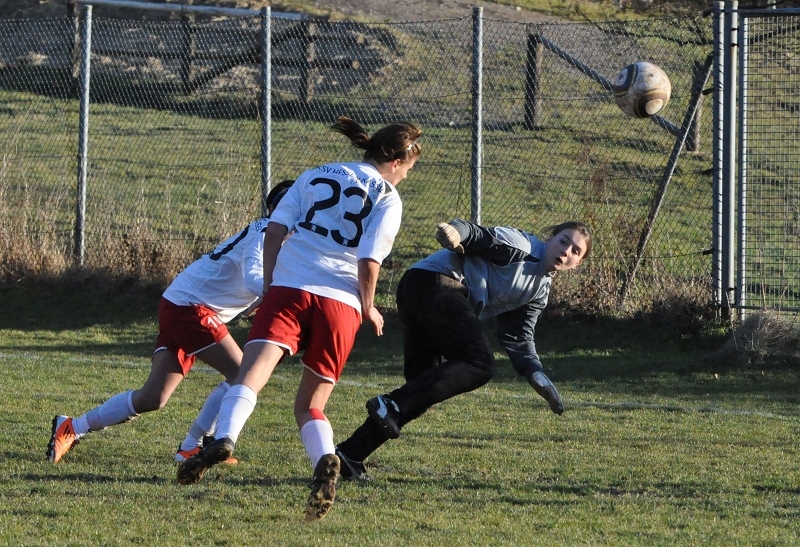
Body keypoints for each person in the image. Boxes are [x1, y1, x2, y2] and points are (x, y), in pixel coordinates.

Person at [175, 116, 422, 522]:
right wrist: (368, 304)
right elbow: (369, 260)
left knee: (251, 377)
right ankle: (325, 461)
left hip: (291, 289)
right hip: (340, 303)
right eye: (409, 169)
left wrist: (273, 284)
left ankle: (223, 439)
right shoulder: (388, 197)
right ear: (395, 160)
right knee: (310, 405)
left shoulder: (314, 174)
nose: (406, 177)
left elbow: (274, 231)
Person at [46, 180, 296, 464]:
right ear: (282, 209)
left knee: (153, 397)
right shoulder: (266, 232)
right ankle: (193, 445)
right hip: (190, 307)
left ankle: (72, 427)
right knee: (243, 375)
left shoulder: (281, 238)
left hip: (182, 303)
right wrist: (271, 294)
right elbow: (254, 275)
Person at [333, 218, 592, 481]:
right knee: (479, 364)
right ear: (551, 238)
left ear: (577, 263)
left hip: (422, 289)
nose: (566, 251)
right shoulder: (522, 246)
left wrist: (535, 373)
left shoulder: (540, 290)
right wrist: (456, 232)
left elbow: (518, 335)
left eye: (575, 251)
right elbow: (480, 235)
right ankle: (388, 405)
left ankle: (350, 454)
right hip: (434, 283)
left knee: (420, 393)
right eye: (563, 241)